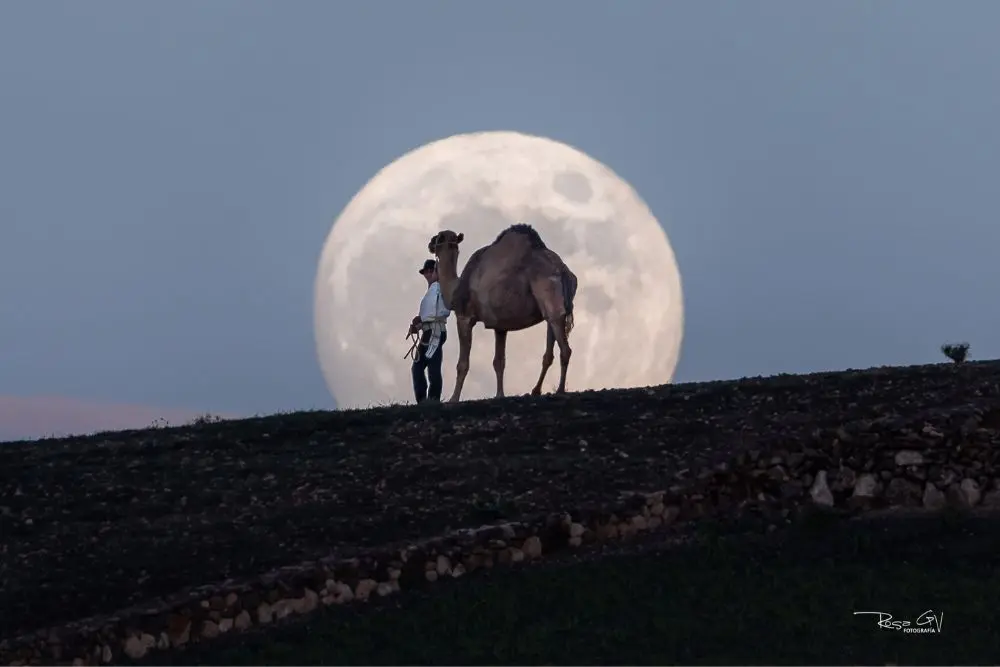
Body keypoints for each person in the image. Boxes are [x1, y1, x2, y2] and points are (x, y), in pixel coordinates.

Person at [409, 259, 451, 403]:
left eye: (430, 271)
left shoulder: (442, 288)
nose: (427, 273)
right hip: (428, 332)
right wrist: (418, 325)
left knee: (432, 367)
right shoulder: (430, 292)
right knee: (417, 367)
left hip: (435, 331)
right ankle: (422, 401)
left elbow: (442, 311)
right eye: (426, 271)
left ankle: (433, 400)